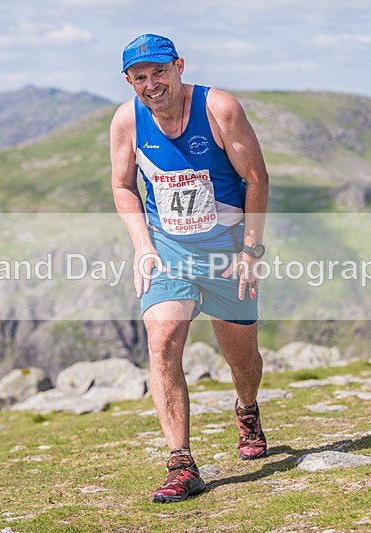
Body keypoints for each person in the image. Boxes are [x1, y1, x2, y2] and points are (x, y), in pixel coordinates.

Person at [110, 34, 270, 503]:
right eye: (139, 77)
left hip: (226, 252)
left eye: (159, 71)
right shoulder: (127, 121)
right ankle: (181, 462)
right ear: (129, 82)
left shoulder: (219, 109)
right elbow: (123, 186)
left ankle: (247, 408)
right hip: (168, 253)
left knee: (243, 361)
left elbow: (256, 179)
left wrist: (250, 251)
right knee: (161, 343)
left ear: (179, 66)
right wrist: (143, 246)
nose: (151, 84)